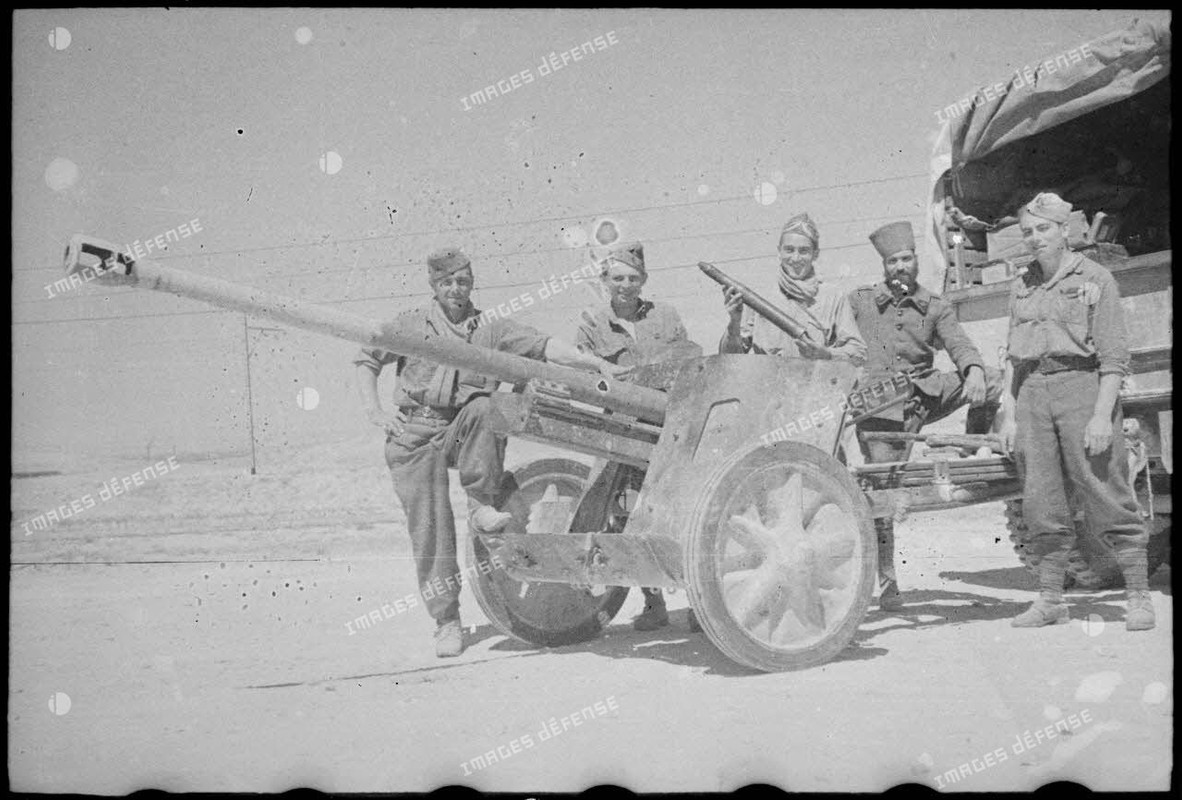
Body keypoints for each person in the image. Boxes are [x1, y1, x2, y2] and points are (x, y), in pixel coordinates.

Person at [354, 247, 629, 658]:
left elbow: (544, 346)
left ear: (472, 284)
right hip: (413, 433)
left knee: (487, 406)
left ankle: (481, 504)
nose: (455, 289)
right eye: (447, 282)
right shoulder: (411, 323)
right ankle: (446, 621)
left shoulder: (490, 329)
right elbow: (367, 358)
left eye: (462, 282)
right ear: (434, 285)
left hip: (461, 429)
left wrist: (593, 363)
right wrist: (375, 412)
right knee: (430, 531)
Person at [997, 192, 1154, 630]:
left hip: (1081, 388)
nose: (1035, 238)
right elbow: (1012, 357)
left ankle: (1138, 598)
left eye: (1043, 229)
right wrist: (1009, 414)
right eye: (1028, 231)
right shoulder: (1021, 284)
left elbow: (1114, 358)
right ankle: (1051, 600)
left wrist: (1102, 415)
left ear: (1064, 231)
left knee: (1105, 488)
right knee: (1040, 498)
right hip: (1033, 391)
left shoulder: (1096, 278)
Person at [849, 221, 1004, 611]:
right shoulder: (861, 301)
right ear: (884, 266)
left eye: (906, 258)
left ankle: (971, 447)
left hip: (924, 394)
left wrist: (972, 369)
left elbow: (958, 342)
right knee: (883, 496)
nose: (900, 266)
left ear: (915, 260)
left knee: (992, 379)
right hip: (879, 410)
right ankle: (888, 583)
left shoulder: (935, 305)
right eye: (892, 261)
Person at [575, 241, 701, 632]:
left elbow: (689, 360)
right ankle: (653, 602)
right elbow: (581, 374)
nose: (626, 286)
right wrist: (603, 373)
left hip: (668, 428)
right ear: (604, 280)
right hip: (622, 433)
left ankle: (698, 603)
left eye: (633, 278)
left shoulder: (665, 315)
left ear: (643, 280)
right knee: (629, 514)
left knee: (680, 514)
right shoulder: (592, 324)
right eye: (618, 278)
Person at [720, 212, 866, 365]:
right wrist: (734, 322)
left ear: (815, 254)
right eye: (789, 250)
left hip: (817, 379)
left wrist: (826, 354)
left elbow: (859, 353)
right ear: (779, 252)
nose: (796, 258)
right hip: (767, 379)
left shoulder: (833, 297)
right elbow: (729, 359)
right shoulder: (758, 297)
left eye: (804, 251)